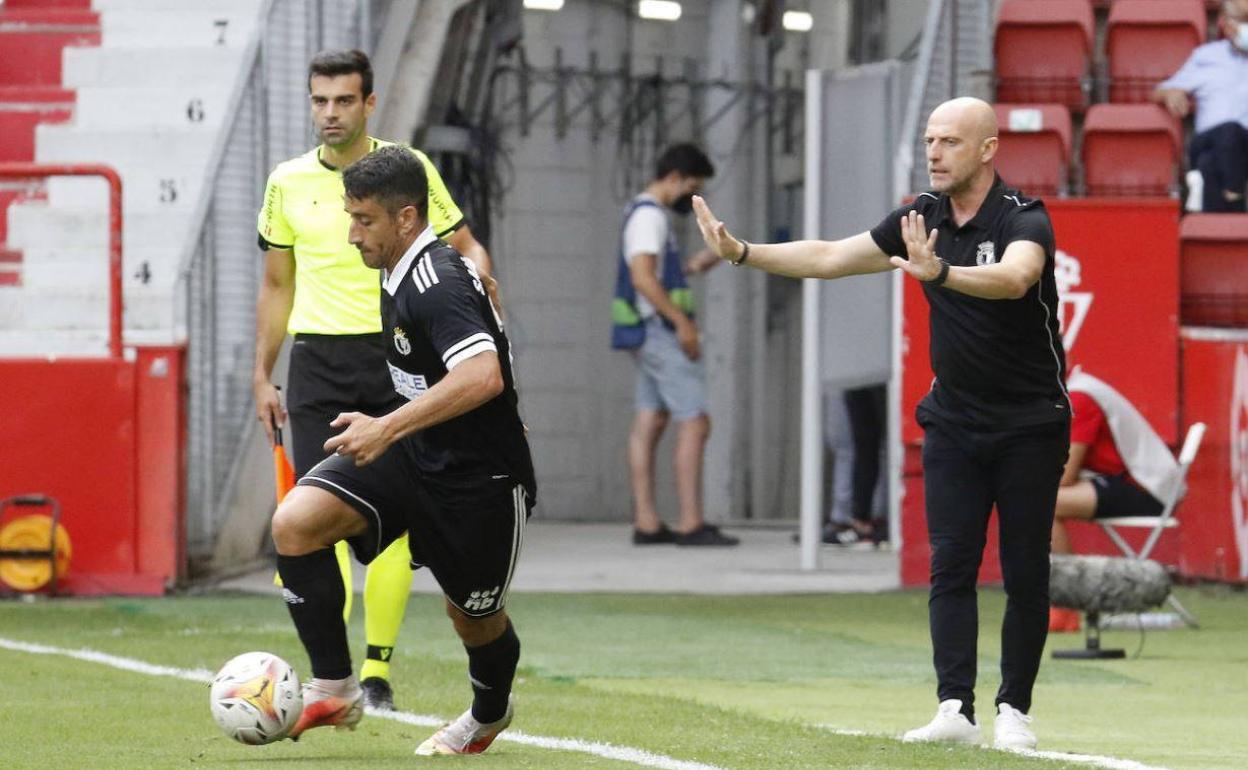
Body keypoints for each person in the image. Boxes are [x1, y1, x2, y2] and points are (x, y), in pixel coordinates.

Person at [693, 97, 1068, 751]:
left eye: (950, 141)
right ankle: (955, 707)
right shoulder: (918, 218)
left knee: (1023, 570)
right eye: (929, 139)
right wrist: (742, 251)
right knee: (950, 564)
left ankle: (1015, 712)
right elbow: (832, 256)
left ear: (987, 148)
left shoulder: (1023, 217)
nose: (934, 151)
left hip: (1030, 423)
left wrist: (943, 273)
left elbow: (1015, 279)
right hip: (954, 419)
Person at [253, 49, 499, 712]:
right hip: (317, 367)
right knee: (315, 514)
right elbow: (278, 285)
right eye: (318, 101)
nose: (328, 113)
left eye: (342, 101)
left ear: (369, 103)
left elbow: (462, 242)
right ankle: (333, 678)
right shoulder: (286, 183)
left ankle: (378, 670)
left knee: (394, 520)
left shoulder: (404, 171)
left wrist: (479, 278)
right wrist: (261, 374)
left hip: (397, 360)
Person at [273, 145, 535, 754]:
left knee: (474, 617)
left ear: (407, 218)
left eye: (363, 220)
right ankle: (336, 686)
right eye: (350, 217)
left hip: (479, 480)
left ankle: (489, 714)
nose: (350, 235)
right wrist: (391, 428)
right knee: (296, 524)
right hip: (415, 451)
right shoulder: (404, 267)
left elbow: (482, 377)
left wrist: (382, 428)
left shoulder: (433, 280)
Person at [611, 143, 738, 547]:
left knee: (651, 419)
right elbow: (643, 278)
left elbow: (652, 275)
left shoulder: (643, 215)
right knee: (695, 421)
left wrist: (690, 268)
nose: (692, 195)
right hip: (659, 332)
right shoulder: (649, 217)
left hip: (644, 332)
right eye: (693, 187)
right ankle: (690, 522)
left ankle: (647, 522)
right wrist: (682, 324)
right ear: (676, 179)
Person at [1048, 371, 1178, 633]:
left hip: (1147, 489)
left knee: (1041, 504)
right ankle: (1061, 602)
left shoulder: (1079, 398)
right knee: (1036, 500)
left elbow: (1065, 475)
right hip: (1129, 480)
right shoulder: (1073, 391)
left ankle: (1066, 604)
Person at [1154, 0, 1248, 213]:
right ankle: (1236, 200)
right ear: (1225, 24)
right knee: (1228, 132)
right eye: (1243, 20)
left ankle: (1215, 229)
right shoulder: (1207, 56)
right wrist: (1171, 93)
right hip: (1208, 139)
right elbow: (1160, 90)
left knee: (1208, 164)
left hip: (1241, 146)